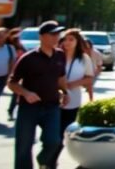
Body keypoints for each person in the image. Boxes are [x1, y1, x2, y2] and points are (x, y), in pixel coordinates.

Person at [8, 21, 69, 169]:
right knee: (24, 145)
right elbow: (12, 82)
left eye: (58, 34)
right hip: (29, 108)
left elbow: (60, 77)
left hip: (52, 106)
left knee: (54, 141)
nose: (56, 37)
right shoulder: (28, 58)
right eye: (52, 34)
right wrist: (26, 93)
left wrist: (64, 92)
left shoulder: (60, 55)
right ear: (41, 37)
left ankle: (43, 159)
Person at [52, 30, 95, 166]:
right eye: (65, 39)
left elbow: (89, 77)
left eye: (71, 40)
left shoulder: (83, 58)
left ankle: (50, 161)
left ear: (77, 42)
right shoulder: (55, 56)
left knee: (61, 135)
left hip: (72, 101)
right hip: (52, 100)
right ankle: (47, 159)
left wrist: (73, 84)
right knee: (50, 136)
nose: (67, 43)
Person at [0, 27, 17, 121]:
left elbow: (12, 62)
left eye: (1, 35)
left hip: (1, 78)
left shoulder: (10, 48)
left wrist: (9, 76)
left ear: (5, 37)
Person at [6, 28, 27, 120]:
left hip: (21, 70)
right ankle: (11, 110)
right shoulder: (9, 45)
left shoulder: (21, 45)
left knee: (17, 92)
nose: (18, 36)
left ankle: (12, 111)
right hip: (11, 71)